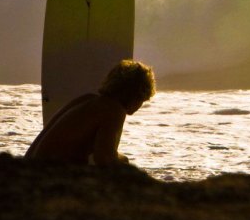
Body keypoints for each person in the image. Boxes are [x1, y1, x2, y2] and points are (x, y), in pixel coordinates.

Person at [26, 59, 156, 165]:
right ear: (136, 95)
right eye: (143, 100)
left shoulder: (87, 100)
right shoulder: (113, 110)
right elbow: (105, 159)